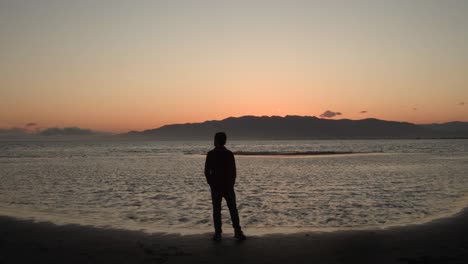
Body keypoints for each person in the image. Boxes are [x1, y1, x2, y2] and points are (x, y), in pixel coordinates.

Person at [204, 132, 246, 241]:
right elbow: (233, 171)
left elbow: (207, 171)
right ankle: (237, 231)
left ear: (217, 141)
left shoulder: (212, 154)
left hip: (218, 186)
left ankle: (218, 233)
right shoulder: (228, 154)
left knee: (217, 210)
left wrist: (211, 182)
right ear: (224, 141)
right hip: (226, 185)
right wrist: (231, 182)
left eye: (215, 139)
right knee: (232, 209)